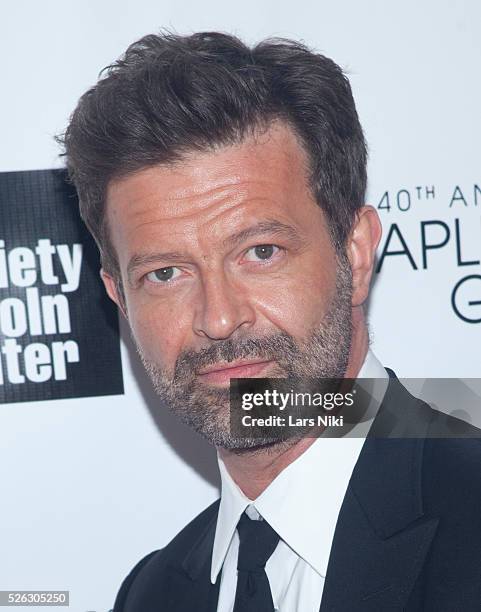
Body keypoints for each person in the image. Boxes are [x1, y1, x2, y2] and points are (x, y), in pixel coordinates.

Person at [60, 31, 481, 611]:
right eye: (165, 273)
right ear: (119, 299)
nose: (220, 318)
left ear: (354, 254)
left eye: (260, 252)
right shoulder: (151, 596)